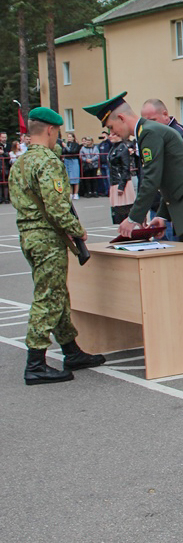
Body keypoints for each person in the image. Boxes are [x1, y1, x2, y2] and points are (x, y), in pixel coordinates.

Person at [84, 92, 183, 352]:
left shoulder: (149, 132)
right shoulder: (148, 132)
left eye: (112, 126)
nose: (114, 132)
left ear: (121, 117)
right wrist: (161, 215)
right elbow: (170, 176)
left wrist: (133, 218)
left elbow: (152, 178)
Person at [10, 107, 106, 385]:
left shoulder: (22, 162)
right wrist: (78, 232)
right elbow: (57, 207)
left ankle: (71, 350)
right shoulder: (47, 161)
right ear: (50, 130)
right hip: (47, 238)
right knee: (48, 297)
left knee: (58, 294)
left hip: (29, 236)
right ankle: (36, 362)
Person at [106, 131, 136, 224]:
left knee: (124, 210)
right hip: (115, 181)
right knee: (117, 211)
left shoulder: (122, 148)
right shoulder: (113, 148)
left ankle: (128, 230)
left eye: (113, 134)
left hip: (122, 182)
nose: (110, 136)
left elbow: (125, 168)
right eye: (110, 134)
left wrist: (121, 185)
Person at [60, 132, 81, 199]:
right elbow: (63, 152)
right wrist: (64, 147)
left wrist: (65, 147)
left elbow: (72, 151)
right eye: (68, 137)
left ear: (73, 138)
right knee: (68, 178)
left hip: (73, 160)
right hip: (67, 161)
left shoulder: (76, 144)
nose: (69, 138)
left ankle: (76, 193)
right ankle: (70, 193)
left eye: (70, 137)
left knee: (75, 177)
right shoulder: (66, 144)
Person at [96, 130, 112, 197]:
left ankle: (110, 192)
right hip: (102, 163)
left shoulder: (109, 143)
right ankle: (106, 191)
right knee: (104, 179)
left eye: (104, 136)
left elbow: (111, 145)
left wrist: (107, 139)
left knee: (109, 178)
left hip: (107, 163)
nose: (103, 137)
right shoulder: (101, 144)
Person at [0, 131, 10, 203]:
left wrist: (4, 153)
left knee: (7, 182)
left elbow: (11, 154)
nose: (4, 139)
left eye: (5, 137)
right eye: (3, 137)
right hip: (0, 165)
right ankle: (1, 198)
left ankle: (7, 198)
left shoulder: (9, 145)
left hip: (7, 165)